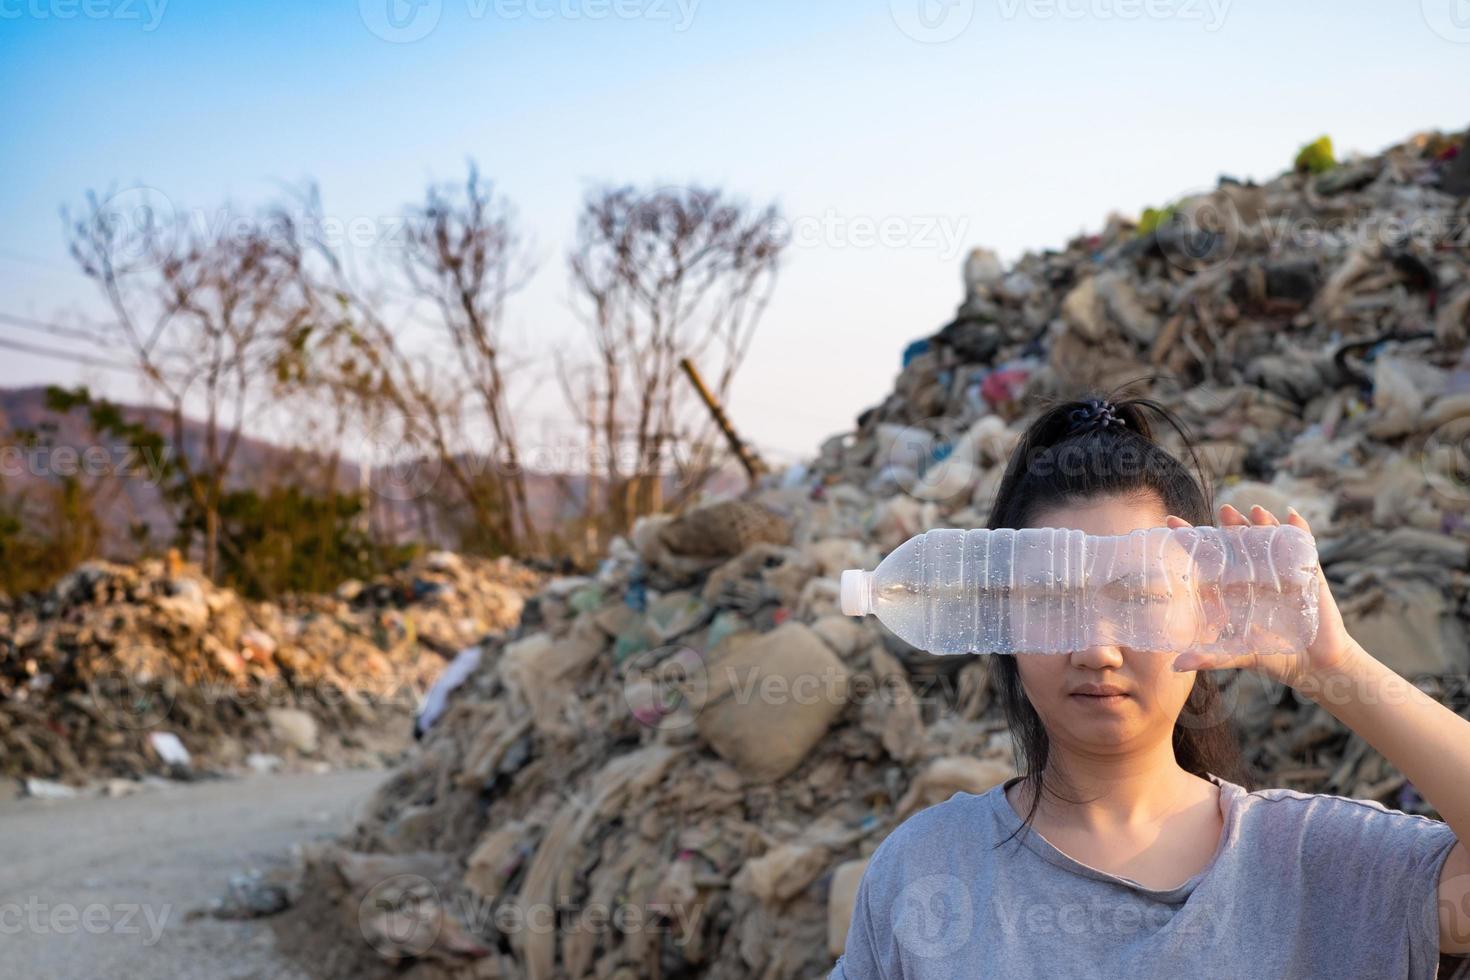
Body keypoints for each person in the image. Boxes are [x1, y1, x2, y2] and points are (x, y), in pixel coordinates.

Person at [831, 395, 1470, 979]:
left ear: (1208, 607)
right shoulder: (927, 867)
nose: (1097, 648)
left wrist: (1335, 669)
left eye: (1138, 596)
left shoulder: (1319, 864)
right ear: (1003, 618)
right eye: (1053, 600)